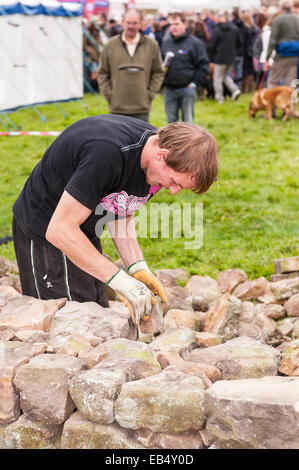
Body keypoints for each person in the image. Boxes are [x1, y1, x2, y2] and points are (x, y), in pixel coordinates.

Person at [12, 114, 218, 329]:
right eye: (175, 182)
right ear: (162, 155)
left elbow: (121, 206)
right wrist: (120, 281)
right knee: (65, 324)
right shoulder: (107, 154)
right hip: (46, 229)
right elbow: (60, 230)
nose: (173, 191)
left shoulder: (154, 167)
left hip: (81, 228)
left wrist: (137, 267)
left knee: (94, 312)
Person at [98, 8, 164, 122]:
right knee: (117, 139)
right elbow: (102, 72)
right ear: (123, 22)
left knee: (142, 139)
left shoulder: (152, 45)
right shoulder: (110, 44)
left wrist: (149, 94)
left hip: (141, 107)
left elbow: (158, 71)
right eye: (128, 22)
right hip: (117, 107)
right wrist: (110, 95)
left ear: (141, 23)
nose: (131, 26)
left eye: (135, 23)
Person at [161, 12, 210, 123]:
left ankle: (189, 141)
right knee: (171, 124)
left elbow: (203, 65)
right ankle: (173, 141)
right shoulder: (166, 43)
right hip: (169, 89)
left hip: (187, 89)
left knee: (188, 124)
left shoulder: (195, 43)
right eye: (171, 24)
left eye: (177, 24)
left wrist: (195, 83)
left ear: (185, 24)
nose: (174, 27)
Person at [265, 0, 299, 88]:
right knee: (290, 81)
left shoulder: (278, 19)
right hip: (295, 54)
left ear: (281, 8)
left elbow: (273, 40)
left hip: (282, 54)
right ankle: (289, 101)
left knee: (273, 80)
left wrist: (267, 57)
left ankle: (272, 100)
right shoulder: (297, 18)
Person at [210, 12, 242, 103]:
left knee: (217, 78)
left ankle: (219, 98)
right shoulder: (235, 28)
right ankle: (235, 89)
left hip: (220, 58)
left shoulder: (218, 29)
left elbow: (213, 44)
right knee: (224, 76)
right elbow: (239, 42)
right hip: (231, 56)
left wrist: (212, 55)